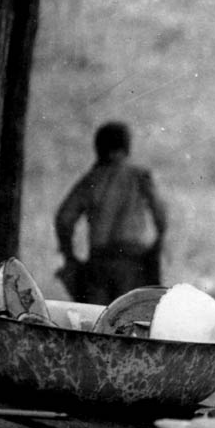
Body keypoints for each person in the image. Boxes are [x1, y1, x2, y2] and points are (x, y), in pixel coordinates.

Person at [55, 121, 168, 304]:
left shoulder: (92, 179)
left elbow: (64, 219)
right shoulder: (139, 176)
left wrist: (69, 256)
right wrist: (158, 244)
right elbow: (161, 214)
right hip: (133, 264)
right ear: (127, 146)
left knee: (98, 317)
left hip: (98, 264)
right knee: (132, 317)